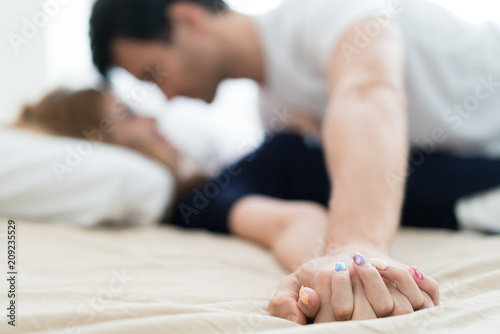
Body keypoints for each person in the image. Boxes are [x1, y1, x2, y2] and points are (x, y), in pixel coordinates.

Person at [88, 0, 500, 324]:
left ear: (187, 19)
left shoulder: (319, 9)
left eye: (153, 74)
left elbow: (368, 92)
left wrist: (356, 248)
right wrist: (330, 277)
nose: (167, 96)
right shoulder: (273, 109)